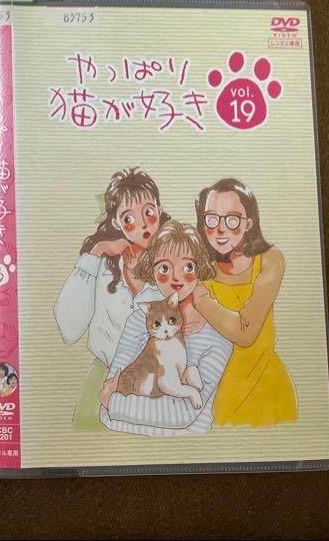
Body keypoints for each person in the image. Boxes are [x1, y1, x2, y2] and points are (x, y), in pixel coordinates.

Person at [54, 168, 170, 430]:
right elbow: (69, 328)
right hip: (103, 378)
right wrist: (98, 251)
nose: (143, 224)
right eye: (129, 218)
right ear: (116, 223)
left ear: (160, 210)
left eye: (149, 212)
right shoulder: (104, 264)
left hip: (158, 384)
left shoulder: (173, 263)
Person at [98, 221, 232, 436]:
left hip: (185, 449)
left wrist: (114, 404)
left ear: (200, 268)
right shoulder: (140, 321)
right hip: (122, 442)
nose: (176, 277)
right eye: (164, 268)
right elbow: (110, 392)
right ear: (151, 270)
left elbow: (182, 414)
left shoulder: (217, 336)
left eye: (188, 267)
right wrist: (111, 401)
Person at [191, 178, 297, 426]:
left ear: (248, 223)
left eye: (232, 219)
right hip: (213, 394)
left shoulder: (269, 259)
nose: (220, 229)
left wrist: (199, 298)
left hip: (266, 391)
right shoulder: (200, 267)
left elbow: (246, 333)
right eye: (211, 218)